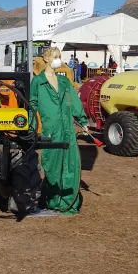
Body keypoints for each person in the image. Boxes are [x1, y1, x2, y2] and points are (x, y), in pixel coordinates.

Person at [29, 46, 87, 215]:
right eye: (56, 56)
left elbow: (75, 102)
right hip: (51, 131)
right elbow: (32, 105)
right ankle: (53, 200)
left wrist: (82, 120)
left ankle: (68, 202)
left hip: (68, 130)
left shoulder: (64, 82)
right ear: (46, 59)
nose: (59, 60)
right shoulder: (38, 82)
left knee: (70, 166)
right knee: (52, 167)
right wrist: (32, 126)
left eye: (60, 56)